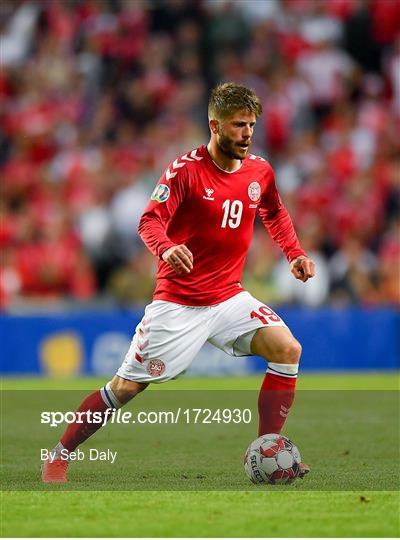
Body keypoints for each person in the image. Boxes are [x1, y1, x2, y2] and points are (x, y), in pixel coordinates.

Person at [42, 83, 315, 483]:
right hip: (179, 303)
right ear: (215, 125)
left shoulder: (260, 170)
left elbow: (274, 212)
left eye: (251, 125)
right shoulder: (185, 170)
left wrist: (294, 253)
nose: (247, 133)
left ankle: (268, 449)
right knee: (124, 389)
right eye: (239, 125)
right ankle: (59, 454)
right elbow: (149, 220)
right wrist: (167, 248)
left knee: (287, 349)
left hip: (228, 298)